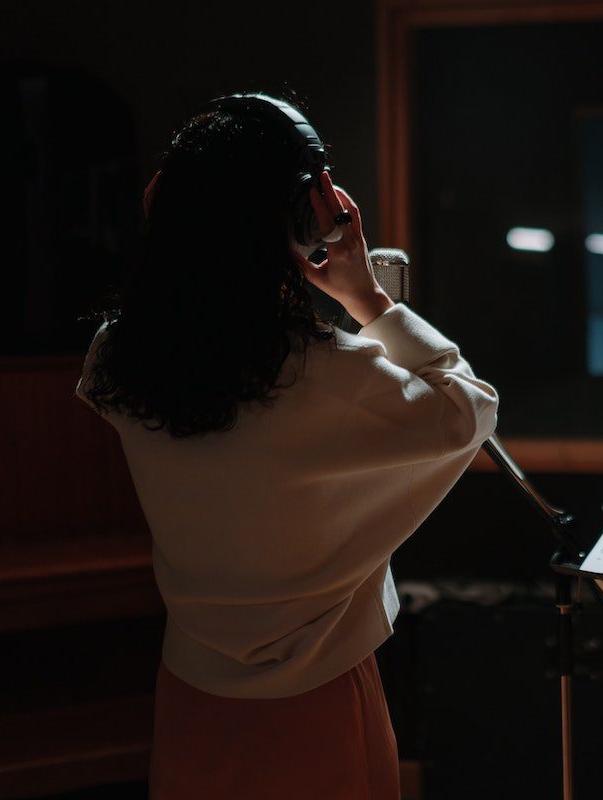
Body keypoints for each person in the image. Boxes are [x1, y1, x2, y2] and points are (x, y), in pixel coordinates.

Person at [75, 94, 498, 798]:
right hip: (320, 704)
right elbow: (467, 409)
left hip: (190, 701)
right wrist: (368, 298)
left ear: (162, 205)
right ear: (306, 221)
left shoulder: (115, 361)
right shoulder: (330, 376)